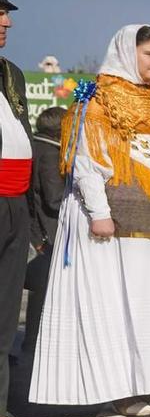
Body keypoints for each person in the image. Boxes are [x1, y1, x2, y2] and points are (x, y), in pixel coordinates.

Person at [30, 25, 150, 416]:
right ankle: (123, 388)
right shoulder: (97, 100)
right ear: (128, 53)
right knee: (119, 303)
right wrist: (99, 214)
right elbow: (86, 163)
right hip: (117, 215)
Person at [0, 0, 30, 417]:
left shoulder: (12, 73)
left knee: (5, 310)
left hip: (13, 201)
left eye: (6, 13)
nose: (6, 20)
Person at [21, 104, 65, 365]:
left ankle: (31, 341)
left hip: (35, 231)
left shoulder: (35, 148)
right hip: (48, 233)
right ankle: (35, 343)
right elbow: (54, 199)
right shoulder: (50, 153)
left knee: (39, 290)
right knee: (44, 290)